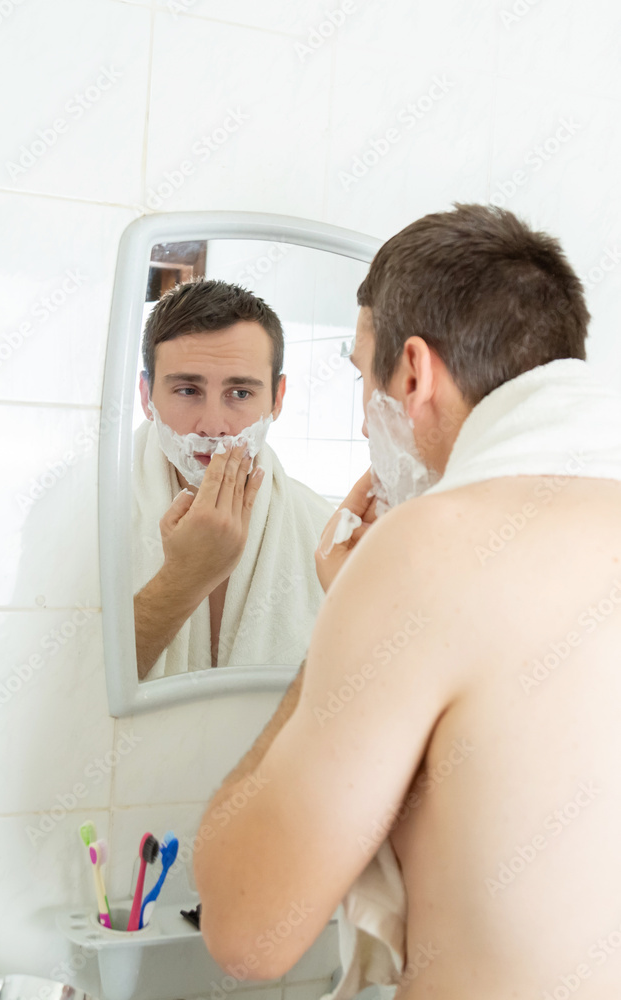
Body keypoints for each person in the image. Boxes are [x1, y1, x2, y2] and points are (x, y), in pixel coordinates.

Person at [192, 204, 621, 998]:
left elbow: (247, 933)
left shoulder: (430, 548)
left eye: (364, 377)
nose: (364, 419)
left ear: (414, 372)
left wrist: (351, 607)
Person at [133, 279, 335, 679]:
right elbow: (68, 692)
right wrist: (183, 578)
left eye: (240, 393)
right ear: (146, 396)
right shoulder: (84, 517)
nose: (213, 426)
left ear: (277, 398)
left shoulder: (322, 531)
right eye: (188, 389)